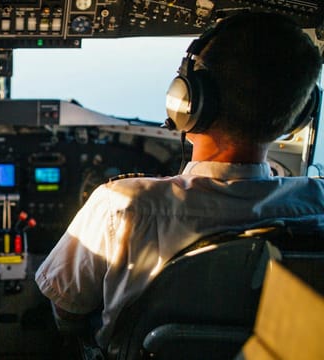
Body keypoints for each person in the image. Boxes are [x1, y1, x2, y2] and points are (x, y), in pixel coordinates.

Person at [35, 11, 324, 353]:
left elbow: (67, 310)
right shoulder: (316, 203)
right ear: (301, 111)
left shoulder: (123, 207)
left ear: (188, 102)